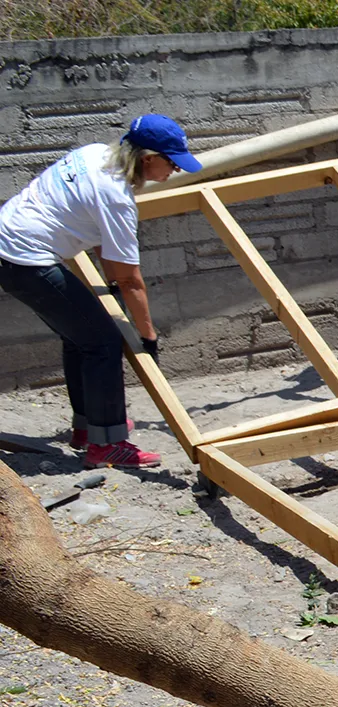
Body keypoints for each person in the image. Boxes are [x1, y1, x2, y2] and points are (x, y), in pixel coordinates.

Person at [0, 115, 201, 468]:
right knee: (103, 342)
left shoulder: (93, 154)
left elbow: (97, 236)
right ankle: (107, 445)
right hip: (24, 259)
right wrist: (148, 337)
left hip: (10, 242)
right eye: (172, 162)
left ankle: (87, 429)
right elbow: (130, 280)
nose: (176, 170)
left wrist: (112, 282)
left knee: (81, 337)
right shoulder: (117, 197)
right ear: (148, 158)